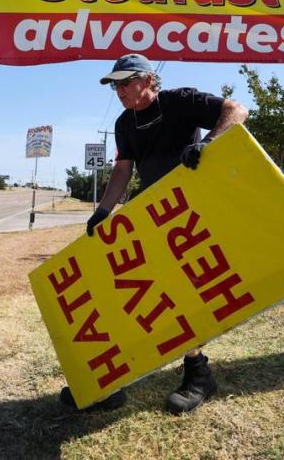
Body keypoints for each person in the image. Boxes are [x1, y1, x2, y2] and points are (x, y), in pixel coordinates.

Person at [63, 53, 248, 415]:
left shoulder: (179, 101)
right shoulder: (124, 122)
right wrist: (103, 211)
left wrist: (208, 143)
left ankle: (198, 374)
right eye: (114, 84)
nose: (117, 89)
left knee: (182, 292)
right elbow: (122, 170)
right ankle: (111, 381)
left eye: (124, 82)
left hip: (190, 213)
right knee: (135, 289)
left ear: (148, 79)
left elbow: (237, 111)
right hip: (150, 213)